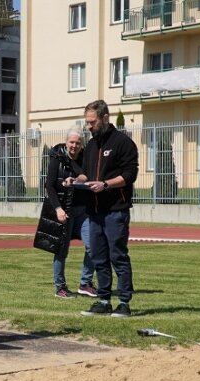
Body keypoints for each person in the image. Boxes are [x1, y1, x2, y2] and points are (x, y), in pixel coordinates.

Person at [67, 99, 138, 317]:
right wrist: (74, 180)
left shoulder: (123, 143)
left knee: (118, 256)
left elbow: (129, 175)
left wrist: (105, 185)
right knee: (99, 257)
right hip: (94, 212)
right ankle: (104, 300)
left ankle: (124, 303)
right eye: (87, 123)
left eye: (92, 122)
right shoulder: (90, 146)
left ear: (105, 118)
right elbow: (87, 174)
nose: (89, 126)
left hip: (115, 211)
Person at [44, 127, 97, 299]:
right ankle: (60, 287)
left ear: (82, 145)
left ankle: (85, 283)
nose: (74, 146)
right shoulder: (56, 158)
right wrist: (58, 209)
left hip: (83, 211)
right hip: (64, 210)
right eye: (71, 142)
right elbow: (49, 186)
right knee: (62, 250)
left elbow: (85, 176)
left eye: (78, 143)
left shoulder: (84, 158)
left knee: (93, 246)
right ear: (66, 143)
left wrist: (75, 180)